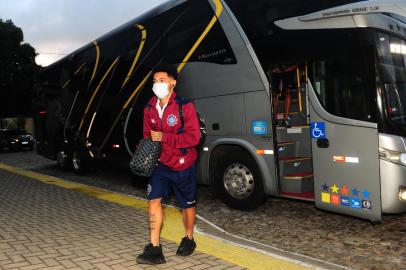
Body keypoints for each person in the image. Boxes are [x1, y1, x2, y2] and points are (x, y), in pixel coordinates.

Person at [136, 63, 201, 265]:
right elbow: (147, 135)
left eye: (162, 80)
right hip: (160, 164)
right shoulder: (149, 108)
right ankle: (155, 248)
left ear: (173, 82)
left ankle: (189, 238)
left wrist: (165, 137)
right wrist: (147, 147)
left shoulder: (185, 106)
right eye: (155, 81)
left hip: (183, 164)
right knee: (153, 201)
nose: (158, 84)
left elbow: (194, 138)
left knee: (187, 206)